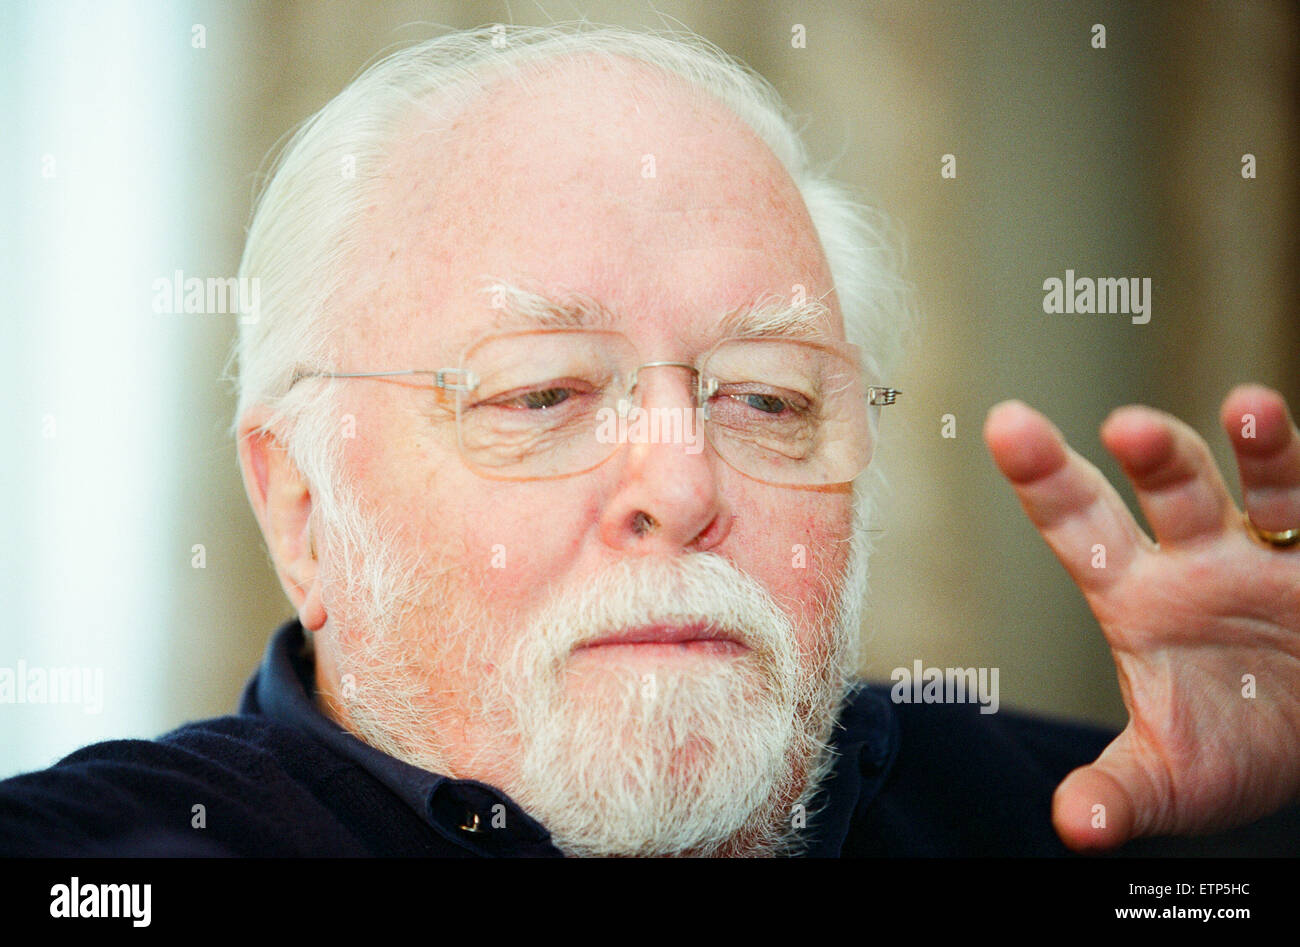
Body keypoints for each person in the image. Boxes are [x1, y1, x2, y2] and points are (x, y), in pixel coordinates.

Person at [2, 23, 1297, 857]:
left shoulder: (1112, 817)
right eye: (544, 396)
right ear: (300, 510)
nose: (681, 484)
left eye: (769, 401)